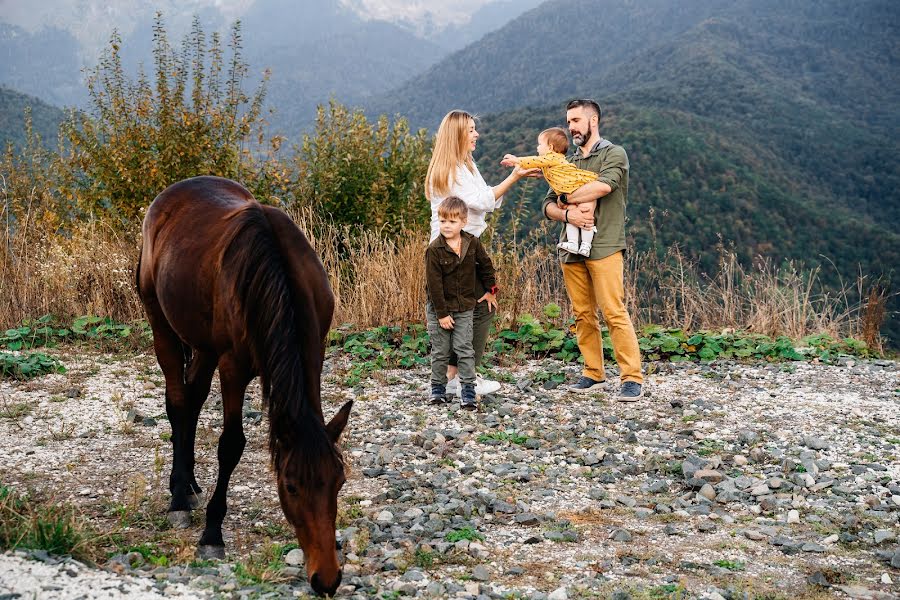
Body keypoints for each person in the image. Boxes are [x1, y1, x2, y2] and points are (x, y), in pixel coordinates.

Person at [540, 99, 644, 401]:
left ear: (593, 121)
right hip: (571, 249)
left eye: (575, 120)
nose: (570, 127)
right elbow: (547, 205)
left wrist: (565, 196)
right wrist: (568, 213)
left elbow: (604, 187)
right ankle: (593, 372)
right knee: (582, 313)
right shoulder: (566, 161)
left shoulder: (614, 154)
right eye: (568, 121)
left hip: (606, 245)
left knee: (614, 311)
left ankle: (631, 377)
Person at [425, 109, 528, 398]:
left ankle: (452, 376)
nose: (476, 134)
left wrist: (518, 172)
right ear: (457, 134)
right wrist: (515, 176)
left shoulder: (466, 165)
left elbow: (488, 199)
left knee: (475, 306)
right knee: (479, 308)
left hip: (465, 248)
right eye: (470, 129)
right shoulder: (450, 171)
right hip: (450, 251)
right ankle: (461, 378)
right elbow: (483, 201)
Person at [425, 197, 497, 409]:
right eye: (443, 221)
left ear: (463, 222)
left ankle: (467, 390)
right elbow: (433, 286)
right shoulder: (434, 250)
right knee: (441, 350)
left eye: (452, 221)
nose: (447, 225)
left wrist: (491, 290)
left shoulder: (472, 243)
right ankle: (437, 389)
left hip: (465, 306)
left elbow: (486, 266)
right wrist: (442, 314)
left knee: (465, 349)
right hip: (441, 308)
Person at [501, 127, 600, 256]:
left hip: (580, 187)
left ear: (551, 147)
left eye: (540, 144)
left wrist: (516, 160)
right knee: (572, 214)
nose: (537, 147)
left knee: (585, 212)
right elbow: (542, 167)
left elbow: (535, 161)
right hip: (572, 190)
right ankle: (575, 244)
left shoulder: (553, 157)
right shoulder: (554, 161)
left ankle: (585, 245)